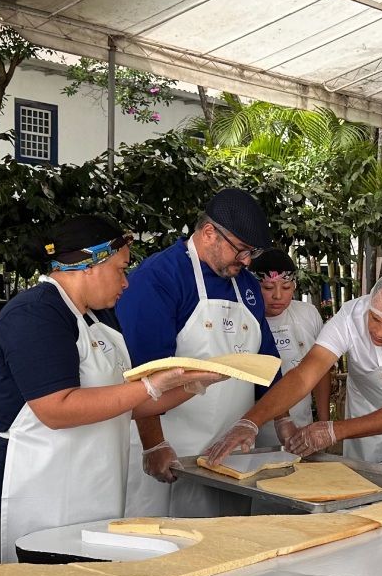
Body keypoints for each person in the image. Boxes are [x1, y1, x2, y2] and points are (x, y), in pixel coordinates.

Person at [0, 215, 224, 561]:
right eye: (121, 270)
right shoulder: (35, 314)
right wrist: (150, 385)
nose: (126, 282)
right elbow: (56, 409)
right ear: (91, 264)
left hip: (86, 490)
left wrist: (195, 382)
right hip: (30, 491)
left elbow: (123, 404)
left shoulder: (98, 318)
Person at [114, 188, 287, 516]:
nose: (248, 261)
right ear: (210, 233)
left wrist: (283, 421)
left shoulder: (246, 284)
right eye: (242, 250)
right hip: (173, 454)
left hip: (233, 455)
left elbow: (266, 362)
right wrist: (154, 444)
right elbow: (143, 373)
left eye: (253, 252)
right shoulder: (160, 278)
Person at [206, 272, 382, 466]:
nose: (379, 332)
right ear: (369, 305)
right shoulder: (350, 316)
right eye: (375, 319)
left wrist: (333, 430)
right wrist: (250, 421)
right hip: (368, 421)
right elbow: (306, 375)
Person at [249, 249, 331, 447]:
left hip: (303, 427)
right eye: (268, 287)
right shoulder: (245, 319)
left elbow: (321, 371)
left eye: (286, 287)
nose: (277, 296)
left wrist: (323, 421)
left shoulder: (308, 313)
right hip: (253, 433)